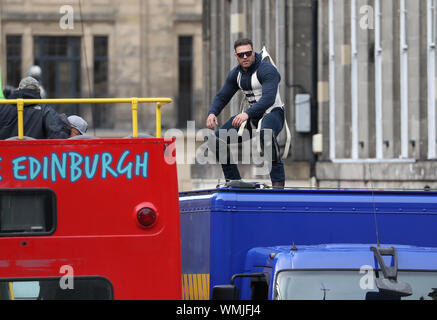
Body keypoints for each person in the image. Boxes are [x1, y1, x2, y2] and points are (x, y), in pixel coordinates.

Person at [206, 38, 286, 188]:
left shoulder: (266, 69)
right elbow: (222, 96)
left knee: (266, 134)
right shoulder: (236, 74)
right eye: (241, 55)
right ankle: (233, 181)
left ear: (253, 53)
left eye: (248, 54)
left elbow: (269, 98)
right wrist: (212, 113)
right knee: (216, 140)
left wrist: (246, 114)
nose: (245, 57)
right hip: (252, 117)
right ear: (236, 56)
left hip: (273, 113)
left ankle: (278, 184)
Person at [0, 76, 70, 140]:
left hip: (5, 153)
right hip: (34, 153)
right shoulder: (44, 109)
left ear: (19, 89)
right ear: (39, 91)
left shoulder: (3, 106)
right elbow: (58, 135)